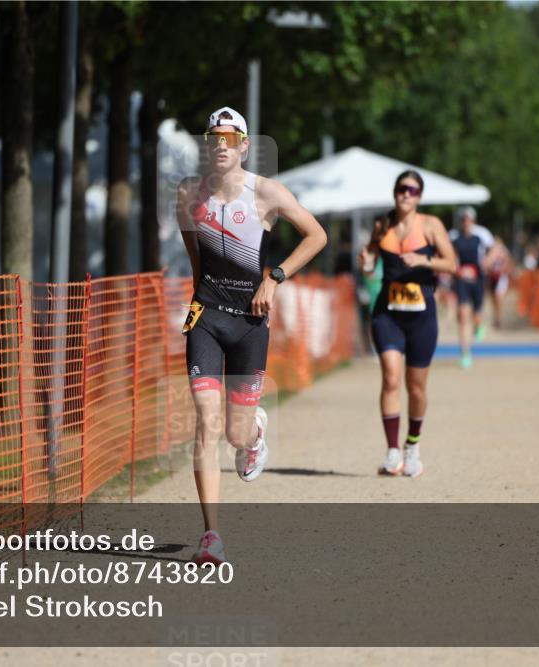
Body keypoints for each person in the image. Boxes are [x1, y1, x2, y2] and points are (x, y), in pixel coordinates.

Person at [176, 107, 327, 563]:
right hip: (206, 317)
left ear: (244, 145)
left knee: (236, 434)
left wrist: (275, 277)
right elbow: (196, 258)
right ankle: (211, 535)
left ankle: (254, 434)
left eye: (229, 137)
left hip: (249, 323)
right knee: (207, 423)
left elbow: (316, 235)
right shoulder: (188, 194)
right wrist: (198, 301)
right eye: (213, 137)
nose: (220, 145)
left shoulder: (266, 193)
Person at [359, 170, 457, 477]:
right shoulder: (382, 225)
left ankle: (412, 446)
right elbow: (371, 263)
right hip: (387, 313)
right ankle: (392, 451)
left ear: (420, 196)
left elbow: (452, 264)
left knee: (416, 388)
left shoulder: (431, 225)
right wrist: (366, 265)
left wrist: (425, 261)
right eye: (402, 189)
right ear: (395, 192)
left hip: (421, 316)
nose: (406, 195)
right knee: (390, 378)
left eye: (413, 190)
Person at [451, 206, 487, 369]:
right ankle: (465, 353)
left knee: (476, 316)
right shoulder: (455, 238)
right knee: (463, 316)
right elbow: (450, 258)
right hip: (461, 281)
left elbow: (496, 250)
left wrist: (487, 264)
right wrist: (458, 270)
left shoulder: (481, 237)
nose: (466, 222)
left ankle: (479, 325)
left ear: (473, 221)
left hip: (478, 280)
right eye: (464, 219)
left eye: (469, 219)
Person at [485, 235, 513, 329]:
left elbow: (509, 265)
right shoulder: (490, 253)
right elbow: (487, 265)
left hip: (501, 278)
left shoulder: (504, 253)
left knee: (498, 297)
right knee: (493, 298)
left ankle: (498, 318)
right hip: (493, 278)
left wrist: (503, 270)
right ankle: (496, 316)